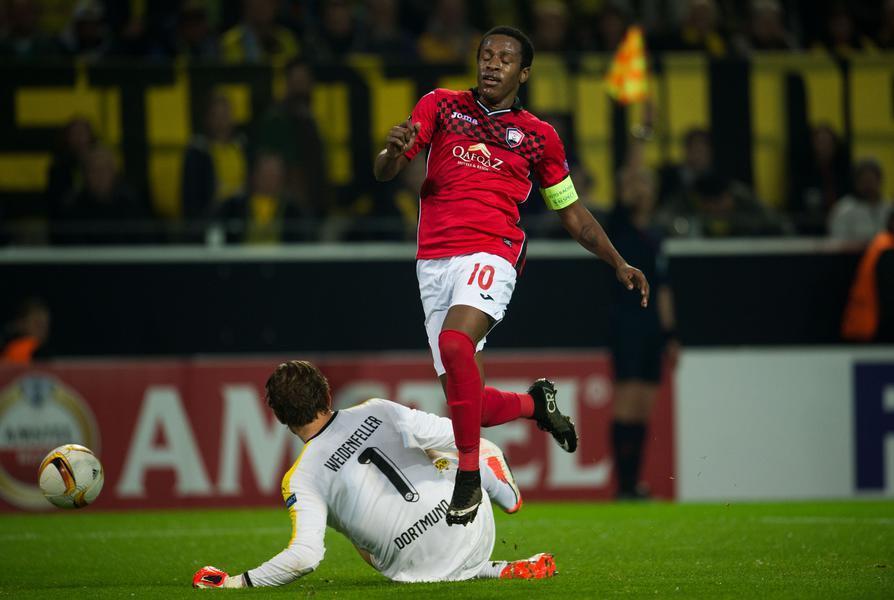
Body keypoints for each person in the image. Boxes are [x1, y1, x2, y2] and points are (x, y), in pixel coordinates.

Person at [373, 26, 649, 525]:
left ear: (523, 73)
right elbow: (385, 171)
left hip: (493, 252)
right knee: (469, 405)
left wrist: (617, 260)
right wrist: (392, 152)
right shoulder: (440, 106)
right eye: (486, 54)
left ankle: (468, 478)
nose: (492, 64)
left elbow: (572, 212)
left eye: (504, 58)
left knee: (456, 343)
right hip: (433, 261)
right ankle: (534, 404)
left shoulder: (539, 137)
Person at [192, 360, 556, 588]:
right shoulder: (378, 409)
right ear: (327, 394)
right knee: (465, 448)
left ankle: (478, 559)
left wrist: (237, 583)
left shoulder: (300, 478)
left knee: (354, 528)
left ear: (280, 418)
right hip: (468, 527)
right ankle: (506, 500)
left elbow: (304, 557)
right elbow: (459, 432)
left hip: (411, 569)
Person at [607, 157, 678, 500]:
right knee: (626, 402)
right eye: (638, 184)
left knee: (644, 404)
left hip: (651, 327)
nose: (643, 191)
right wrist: (638, 146)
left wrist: (670, 334)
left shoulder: (656, 235)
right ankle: (622, 485)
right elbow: (627, 193)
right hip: (626, 324)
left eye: (648, 184)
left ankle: (634, 483)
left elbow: (663, 288)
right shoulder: (618, 228)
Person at [828, 159, 892, 242]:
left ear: (880, 181)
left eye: (871, 181)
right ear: (856, 182)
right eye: (865, 181)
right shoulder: (844, 209)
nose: (868, 186)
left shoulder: (889, 208)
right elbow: (837, 241)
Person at [1, 297, 50, 364]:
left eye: (45, 324)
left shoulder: (43, 351)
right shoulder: (18, 349)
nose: (43, 330)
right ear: (21, 323)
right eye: (38, 324)